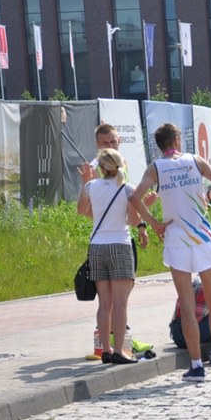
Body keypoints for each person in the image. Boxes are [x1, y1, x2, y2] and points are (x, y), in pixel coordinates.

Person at [128, 122, 211, 381]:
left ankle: (197, 366)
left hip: (176, 237)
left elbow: (134, 198)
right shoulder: (195, 161)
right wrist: (210, 196)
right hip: (202, 237)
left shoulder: (156, 168)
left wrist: (153, 223)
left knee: (187, 307)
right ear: (178, 140)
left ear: (159, 145)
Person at [77, 148, 142, 365]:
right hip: (120, 245)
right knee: (120, 304)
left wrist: (85, 183)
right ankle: (119, 351)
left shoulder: (90, 186)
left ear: (101, 167)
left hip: (97, 246)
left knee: (104, 304)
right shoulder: (127, 188)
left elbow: (82, 210)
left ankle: (105, 350)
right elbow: (133, 220)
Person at [78, 124, 149, 267]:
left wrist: (139, 224)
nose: (110, 146)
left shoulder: (122, 163)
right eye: (105, 143)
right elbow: (86, 210)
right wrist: (113, 218)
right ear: (98, 144)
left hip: (125, 232)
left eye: (113, 142)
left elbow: (128, 201)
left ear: (119, 141)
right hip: (106, 237)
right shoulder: (94, 169)